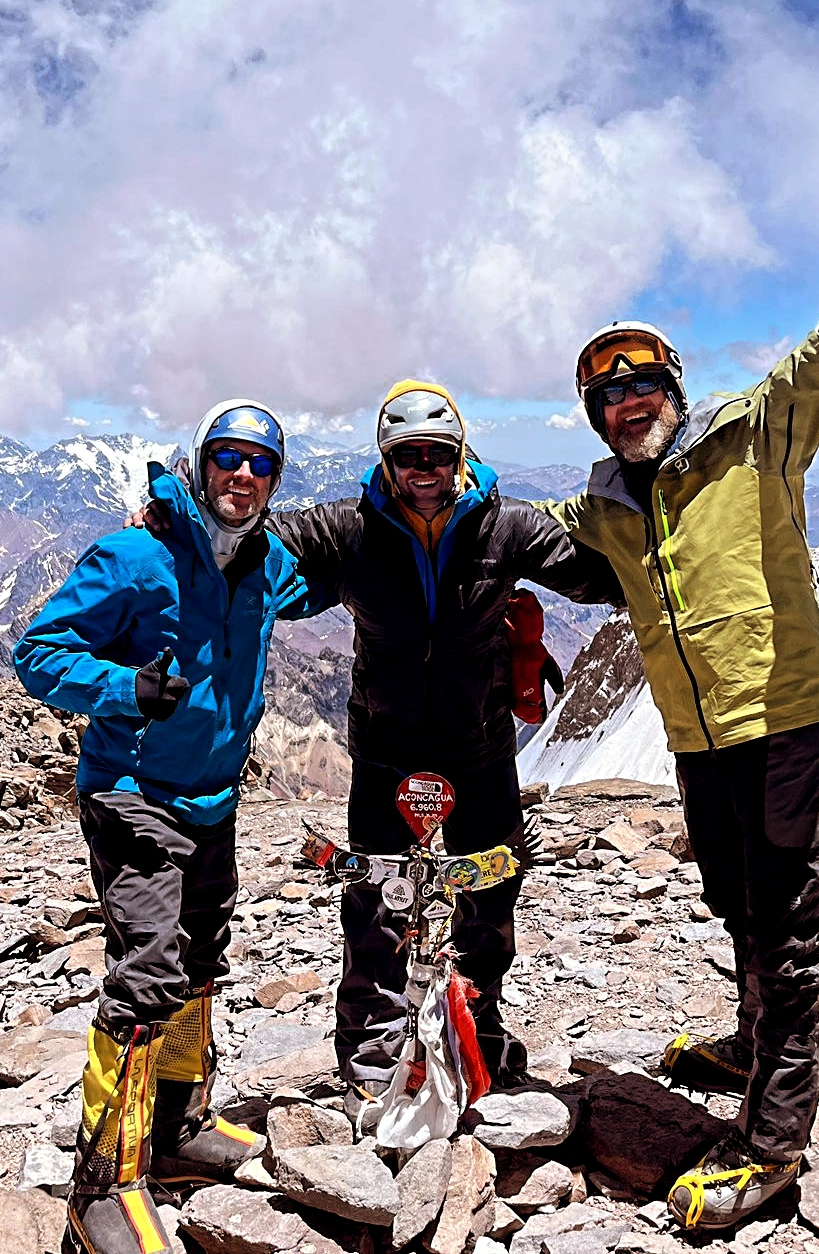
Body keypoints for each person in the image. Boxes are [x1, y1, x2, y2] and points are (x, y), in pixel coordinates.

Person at [540, 114, 819, 1231]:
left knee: (788, 931)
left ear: (673, 383)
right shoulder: (607, 510)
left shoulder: (757, 435)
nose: (629, 403)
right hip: (696, 743)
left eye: (642, 382)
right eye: (607, 396)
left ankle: (770, 1149)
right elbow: (508, 532)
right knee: (737, 904)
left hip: (784, 727)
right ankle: (752, 1043)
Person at [14, 400, 321, 1254]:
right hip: (134, 793)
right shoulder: (134, 555)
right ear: (200, 463)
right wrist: (124, 688)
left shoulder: (267, 565)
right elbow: (37, 651)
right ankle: (102, 1180)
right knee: (146, 971)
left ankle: (180, 1123)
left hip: (213, 801)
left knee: (195, 962)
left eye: (262, 464)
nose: (244, 475)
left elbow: (329, 572)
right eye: (228, 457)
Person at [267, 381, 624, 1115]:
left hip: (479, 743)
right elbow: (256, 534)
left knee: (490, 894)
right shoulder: (351, 527)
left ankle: (475, 1028)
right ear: (387, 460)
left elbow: (597, 574)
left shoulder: (507, 527)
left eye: (436, 452)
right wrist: (172, 518)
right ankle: (372, 1047)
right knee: (376, 895)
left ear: (460, 455)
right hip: (388, 747)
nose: (422, 467)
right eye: (407, 455)